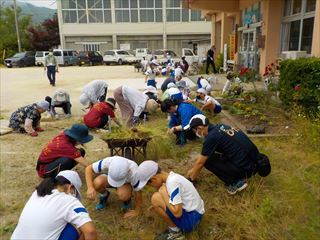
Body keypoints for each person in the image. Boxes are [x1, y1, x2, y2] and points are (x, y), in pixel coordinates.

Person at [185, 114, 261, 195]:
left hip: (246, 170)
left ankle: (236, 183)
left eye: (194, 130)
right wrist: (193, 169)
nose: (195, 133)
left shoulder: (211, 137)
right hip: (255, 163)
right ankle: (239, 172)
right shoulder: (222, 126)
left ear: (200, 128)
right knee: (213, 155)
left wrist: (191, 180)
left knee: (208, 160)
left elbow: (200, 163)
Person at [11, 170, 97, 240]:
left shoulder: (38, 192)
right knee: (80, 226)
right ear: (70, 187)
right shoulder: (69, 200)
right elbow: (90, 231)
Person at [137, 161, 204, 240]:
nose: (151, 186)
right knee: (158, 199)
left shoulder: (172, 183)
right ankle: (176, 230)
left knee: (155, 198)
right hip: (196, 213)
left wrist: (164, 195)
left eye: (149, 184)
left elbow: (177, 213)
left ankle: (176, 233)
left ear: (154, 178)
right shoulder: (172, 177)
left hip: (192, 220)